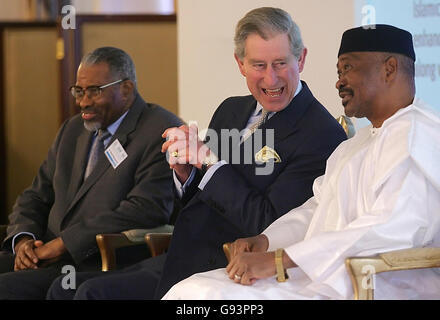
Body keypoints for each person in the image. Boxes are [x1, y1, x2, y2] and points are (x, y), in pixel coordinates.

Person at [47, 7, 346, 300]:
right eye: (258, 65)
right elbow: (201, 196)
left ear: (301, 58)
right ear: (240, 64)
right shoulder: (232, 110)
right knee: (64, 288)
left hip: (232, 272)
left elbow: (268, 225)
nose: (271, 79)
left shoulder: (320, 134)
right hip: (180, 253)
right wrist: (185, 174)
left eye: (280, 63)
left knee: (89, 293)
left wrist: (208, 161)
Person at [162, 24, 440, 300]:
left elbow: (390, 230)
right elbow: (318, 208)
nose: (339, 82)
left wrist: (281, 260)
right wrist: (267, 241)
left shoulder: (418, 135)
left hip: (383, 284)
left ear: (389, 69)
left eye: (348, 68)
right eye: (338, 71)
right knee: (195, 289)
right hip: (328, 276)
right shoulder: (359, 143)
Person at [0, 46, 183, 299]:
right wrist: (24, 240)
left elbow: (147, 207)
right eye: (79, 91)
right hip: (43, 253)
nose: (84, 102)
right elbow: (35, 195)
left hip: (94, 260)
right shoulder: (72, 130)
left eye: (95, 91)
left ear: (126, 88)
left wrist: (64, 244)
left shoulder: (161, 129)